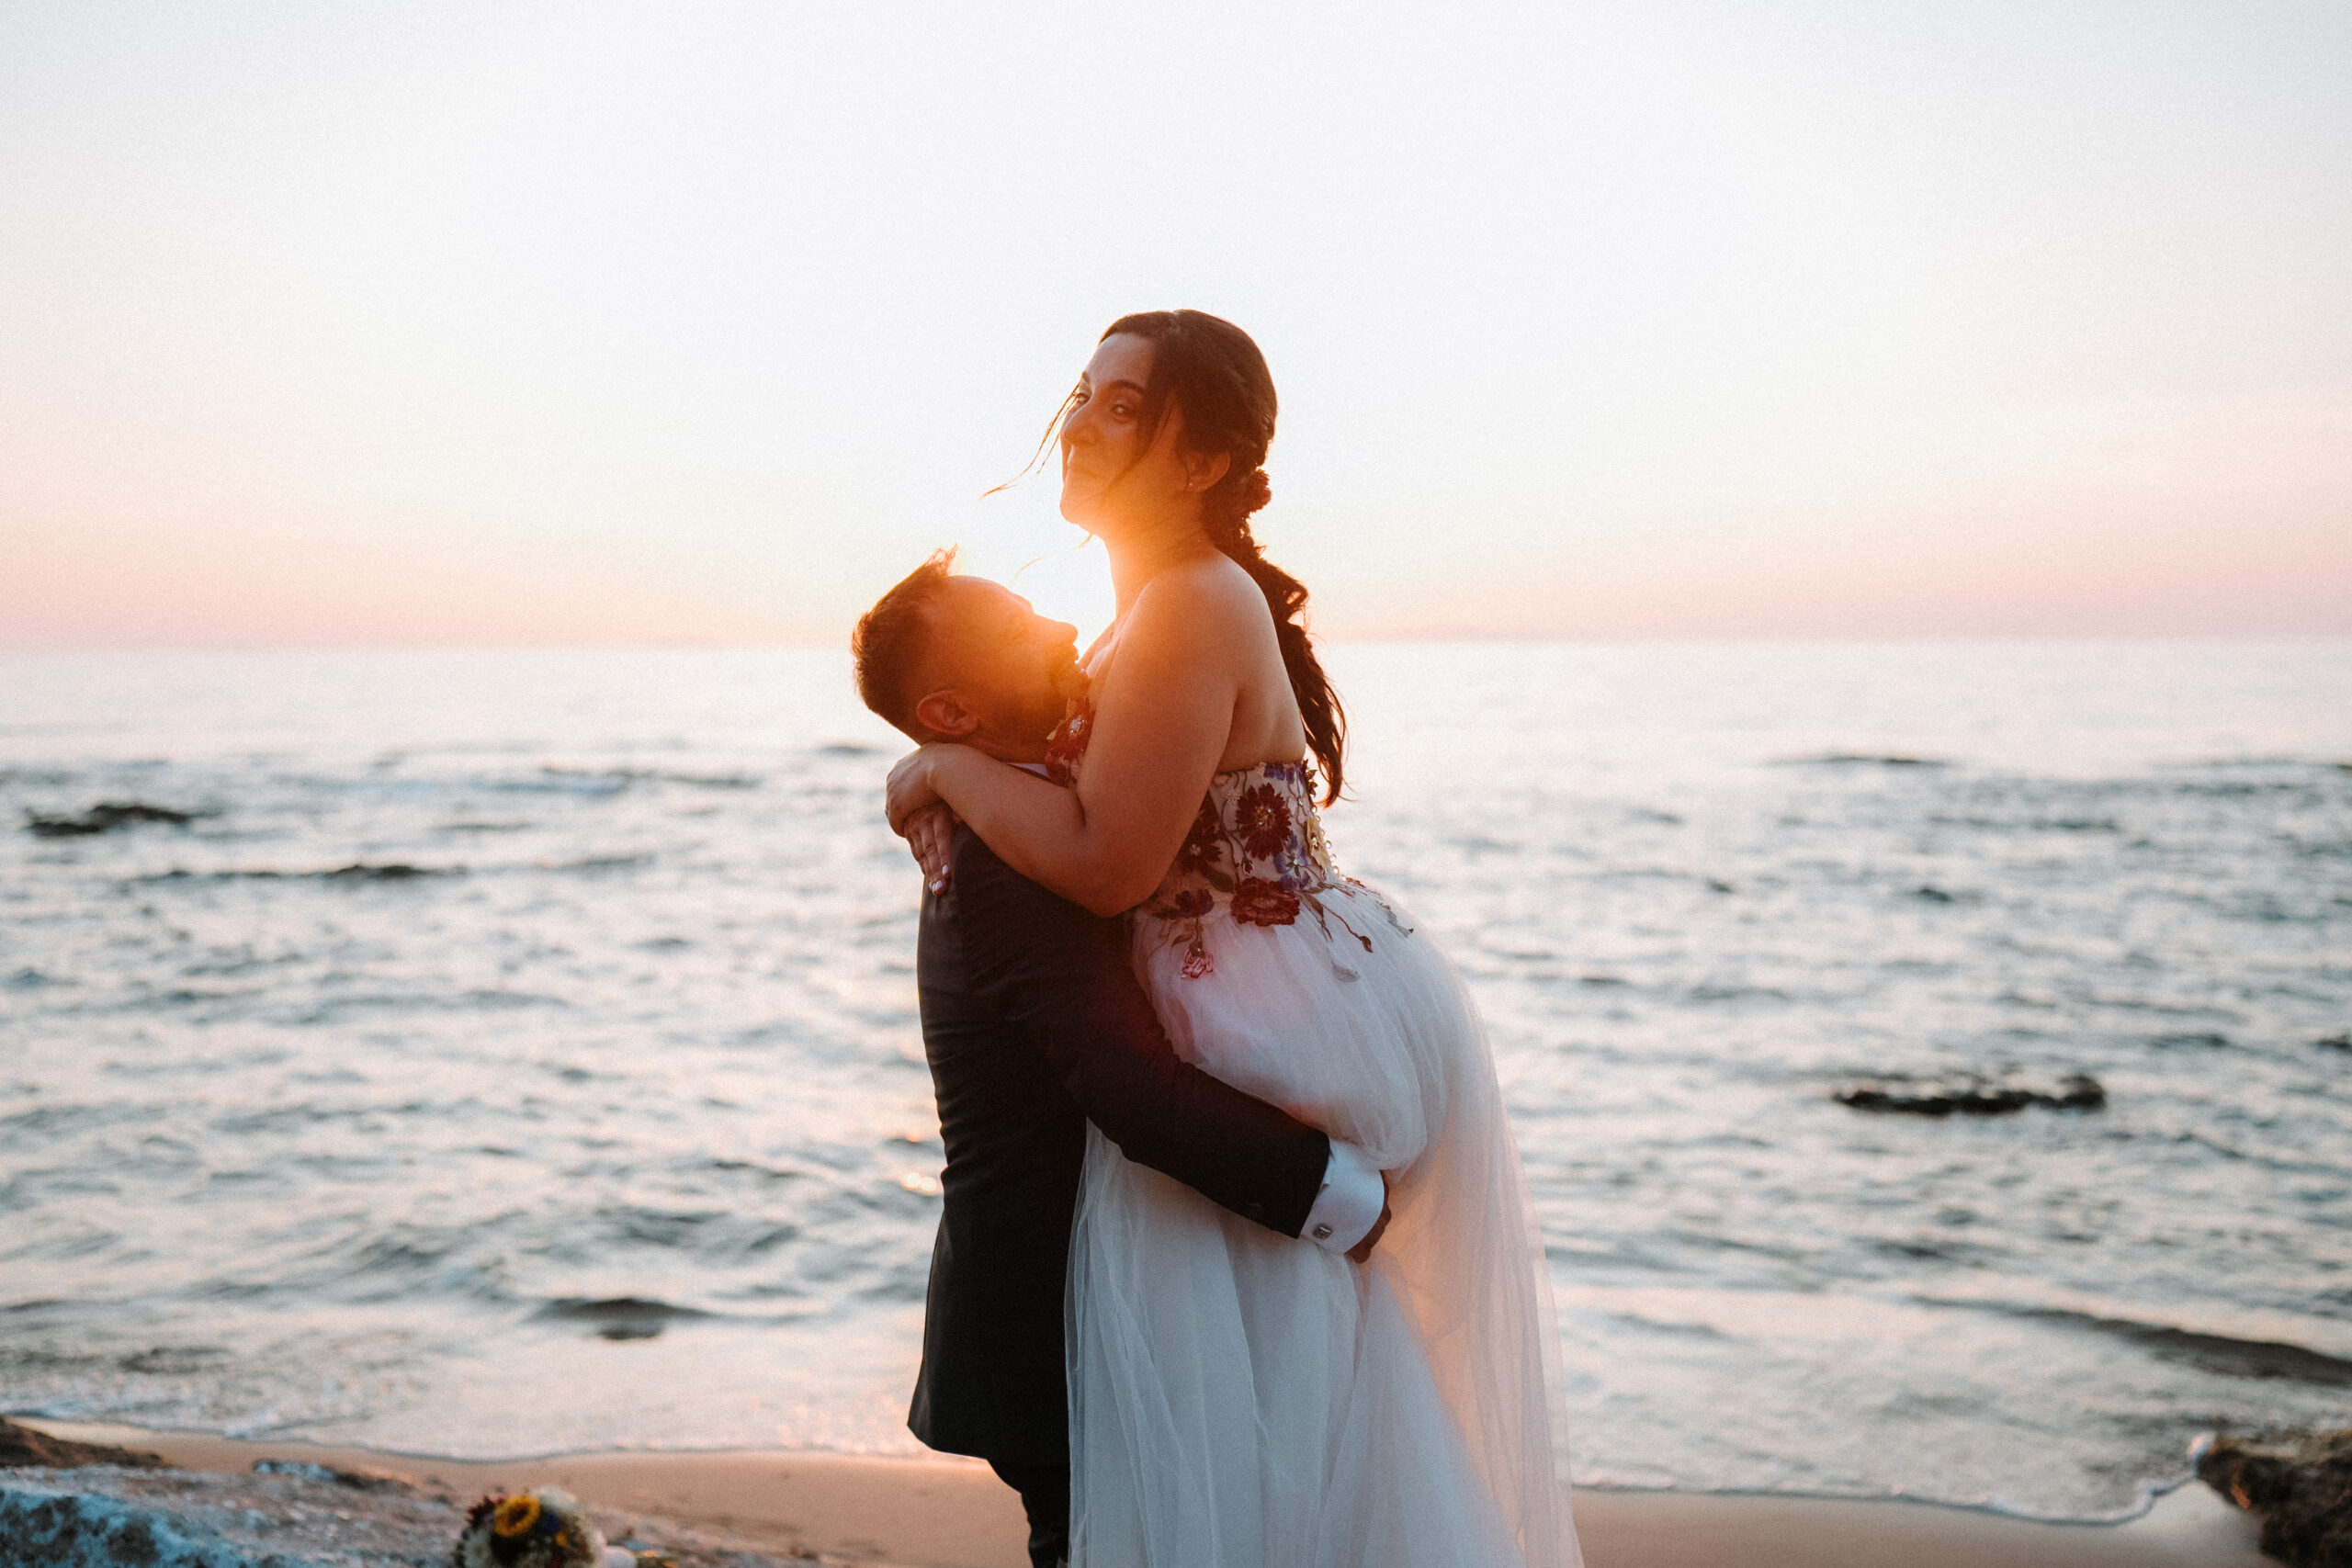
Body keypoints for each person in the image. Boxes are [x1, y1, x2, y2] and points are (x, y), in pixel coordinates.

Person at [880, 310, 1582, 1567]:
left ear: (1203, 458)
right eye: (1084, 395)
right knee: (1280, 1440)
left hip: (1253, 1021)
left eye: (1125, 405)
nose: (1083, 426)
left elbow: (1108, 863)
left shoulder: (1191, 604)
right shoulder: (1159, 609)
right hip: (1246, 1004)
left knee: (1255, 1458)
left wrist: (944, 766)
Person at [850, 555, 1391, 1568]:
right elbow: (1125, 1086)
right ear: (950, 708)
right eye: (1017, 628)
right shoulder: (999, 861)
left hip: (1076, 1286)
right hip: (1040, 1307)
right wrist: (1341, 1197)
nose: (1057, 629)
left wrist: (932, 770)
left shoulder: (1025, 811)